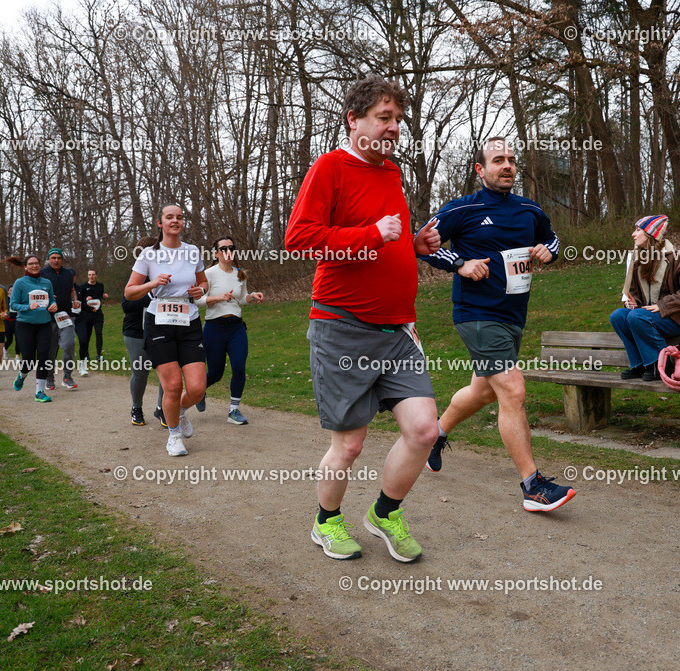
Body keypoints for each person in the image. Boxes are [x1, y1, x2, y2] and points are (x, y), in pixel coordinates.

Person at [284, 75, 442, 563]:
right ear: (354, 120)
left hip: (397, 330)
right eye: (383, 118)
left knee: (424, 431)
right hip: (342, 328)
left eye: (398, 120)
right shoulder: (330, 167)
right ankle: (327, 521)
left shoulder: (392, 173)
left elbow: (387, 241)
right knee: (349, 445)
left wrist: (411, 246)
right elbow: (300, 238)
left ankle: (385, 513)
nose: (394, 128)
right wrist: (371, 233)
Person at [417, 137, 576, 512]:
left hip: (512, 316)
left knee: (485, 392)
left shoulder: (528, 210)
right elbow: (421, 243)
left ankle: (434, 436)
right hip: (475, 314)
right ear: (480, 169)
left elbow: (551, 239)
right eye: (498, 160)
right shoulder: (463, 208)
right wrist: (460, 264)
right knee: (513, 390)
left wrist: (547, 252)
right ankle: (533, 486)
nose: (507, 166)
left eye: (511, 161)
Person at [125, 204, 209, 456]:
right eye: (169, 217)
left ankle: (181, 411)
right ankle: (173, 435)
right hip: (159, 321)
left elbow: (203, 281)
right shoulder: (148, 255)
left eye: (180, 217)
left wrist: (201, 290)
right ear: (160, 223)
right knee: (172, 386)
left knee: (197, 388)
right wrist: (152, 282)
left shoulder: (192, 252)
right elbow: (129, 292)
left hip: (189, 321)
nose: (175, 221)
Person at [609, 215, 680, 381]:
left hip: (677, 317)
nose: (633, 234)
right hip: (648, 315)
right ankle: (638, 365)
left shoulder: (678, 257)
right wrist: (634, 302)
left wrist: (663, 305)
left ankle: (660, 365)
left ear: (651, 235)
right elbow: (634, 291)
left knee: (636, 316)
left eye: (638, 230)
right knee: (618, 316)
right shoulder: (639, 260)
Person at [198, 236, 265, 425]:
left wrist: (252, 296)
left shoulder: (239, 274)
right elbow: (197, 301)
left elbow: (242, 299)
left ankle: (233, 410)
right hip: (214, 328)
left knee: (239, 366)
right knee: (216, 373)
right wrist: (218, 298)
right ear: (216, 253)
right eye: (223, 248)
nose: (228, 250)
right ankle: (198, 391)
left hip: (236, 328)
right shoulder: (208, 274)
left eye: (231, 247)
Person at [122, 237, 164, 426]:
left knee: (167, 371)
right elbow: (126, 305)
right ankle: (136, 408)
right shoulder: (136, 275)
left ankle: (163, 409)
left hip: (162, 330)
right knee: (140, 372)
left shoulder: (167, 273)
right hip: (136, 332)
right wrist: (149, 292)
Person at [7, 256, 59, 403]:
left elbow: (52, 300)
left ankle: (40, 392)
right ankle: (22, 375)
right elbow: (14, 305)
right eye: (31, 264)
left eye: (37, 263)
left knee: (44, 357)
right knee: (29, 359)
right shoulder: (20, 283)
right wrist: (28, 307)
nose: (34, 266)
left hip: (44, 324)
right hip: (25, 325)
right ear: (25, 266)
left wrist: (54, 305)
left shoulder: (47, 282)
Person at [40, 248, 79, 390]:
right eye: (53, 258)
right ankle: (49, 377)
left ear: (62, 259)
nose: (56, 260)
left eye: (59, 258)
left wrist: (75, 300)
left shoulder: (68, 273)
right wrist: (47, 299)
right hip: (48, 318)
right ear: (49, 259)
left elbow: (72, 290)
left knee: (69, 344)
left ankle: (67, 376)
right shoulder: (42, 273)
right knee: (50, 349)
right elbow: (35, 293)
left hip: (65, 315)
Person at [76, 269, 108, 376]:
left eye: (93, 275)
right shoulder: (83, 286)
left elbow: (101, 295)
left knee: (99, 333)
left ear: (96, 276)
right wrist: (86, 299)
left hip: (98, 314)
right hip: (87, 314)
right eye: (89, 275)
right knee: (87, 335)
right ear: (87, 276)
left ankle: (99, 355)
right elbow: (80, 300)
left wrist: (104, 295)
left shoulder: (100, 285)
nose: (91, 276)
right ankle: (86, 355)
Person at [3, 287, 18, 361]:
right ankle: (5, 349)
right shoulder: (6, 299)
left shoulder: (17, 298)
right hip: (8, 321)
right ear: (8, 291)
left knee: (18, 338)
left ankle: (17, 356)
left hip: (16, 320)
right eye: (11, 290)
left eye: (13, 290)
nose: (12, 292)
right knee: (9, 339)